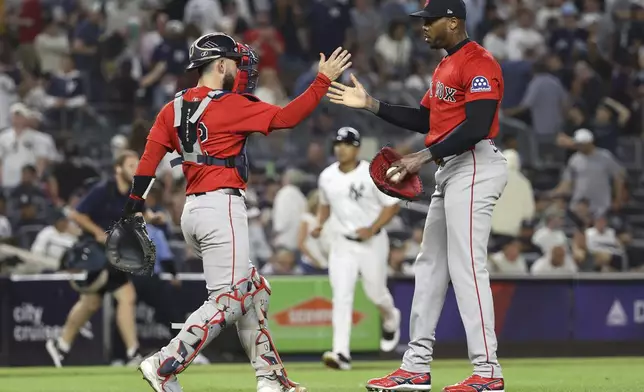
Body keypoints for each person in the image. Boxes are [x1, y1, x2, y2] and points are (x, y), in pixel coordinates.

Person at [120, 34, 350, 392]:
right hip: (221, 206)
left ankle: (271, 379)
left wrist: (134, 206)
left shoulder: (173, 107)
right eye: (237, 63)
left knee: (254, 289)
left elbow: (149, 159)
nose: (242, 71)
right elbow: (288, 118)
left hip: (193, 211)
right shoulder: (228, 104)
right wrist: (322, 81)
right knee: (230, 299)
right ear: (221, 65)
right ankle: (165, 363)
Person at [326, 0, 507, 390]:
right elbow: (427, 119)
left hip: (475, 163)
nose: (423, 26)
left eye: (430, 20)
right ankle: (416, 366)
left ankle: (488, 372)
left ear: (454, 22)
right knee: (429, 269)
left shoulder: (479, 62)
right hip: (451, 168)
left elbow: (476, 125)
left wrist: (420, 157)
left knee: (467, 267)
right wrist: (372, 105)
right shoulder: (444, 65)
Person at [313, 126, 401, 370]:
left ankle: (391, 318)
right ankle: (341, 354)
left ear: (357, 148)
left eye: (347, 144)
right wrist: (320, 223)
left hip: (372, 242)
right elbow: (324, 204)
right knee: (341, 297)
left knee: (376, 294)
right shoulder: (327, 176)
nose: (341, 148)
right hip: (342, 243)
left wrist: (372, 228)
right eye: (338, 144)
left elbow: (392, 205)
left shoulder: (372, 173)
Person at [46, 150, 142, 368]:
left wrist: (150, 218)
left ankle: (61, 345)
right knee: (126, 296)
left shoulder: (131, 194)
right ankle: (133, 353)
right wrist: (98, 232)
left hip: (112, 254)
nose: (135, 169)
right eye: (130, 165)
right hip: (95, 253)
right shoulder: (102, 190)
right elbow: (76, 214)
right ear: (118, 168)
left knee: (91, 302)